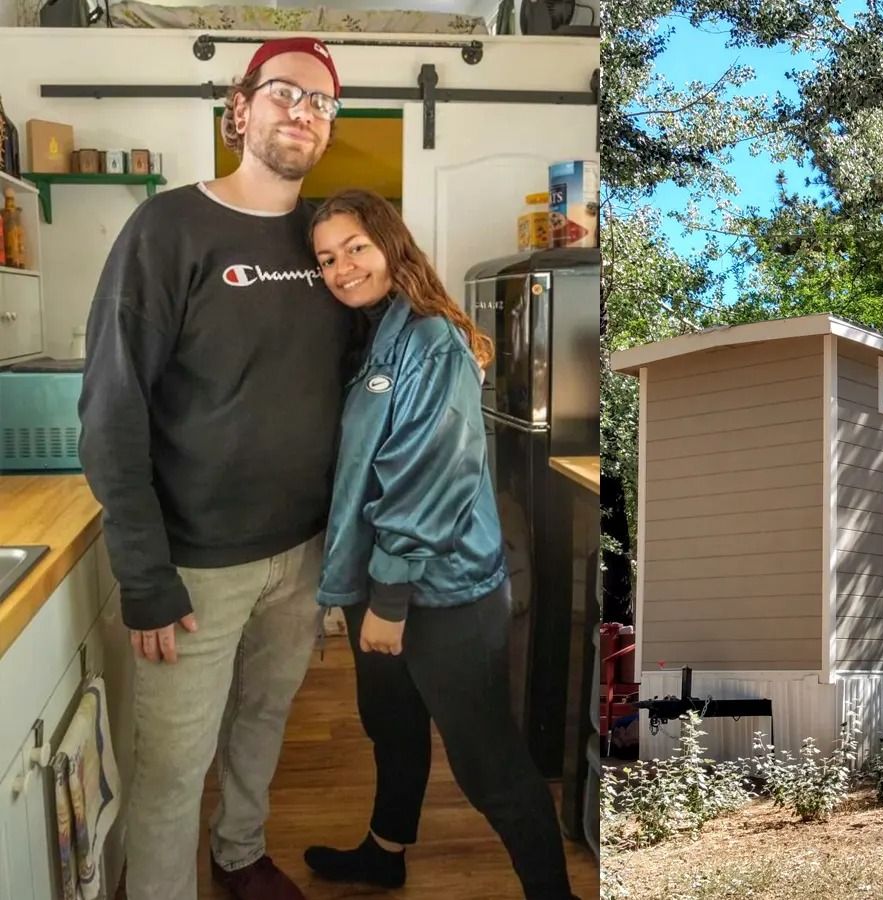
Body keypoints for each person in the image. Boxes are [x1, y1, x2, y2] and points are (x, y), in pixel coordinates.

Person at [78, 37, 351, 900]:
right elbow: (111, 408)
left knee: (264, 721)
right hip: (193, 567)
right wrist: (145, 576)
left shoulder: (330, 241)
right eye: (284, 92)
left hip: (302, 554)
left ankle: (239, 854)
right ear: (242, 108)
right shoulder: (168, 227)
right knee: (168, 771)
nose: (302, 112)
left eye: (320, 101)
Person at [304, 189, 579, 900]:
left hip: (442, 592)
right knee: (393, 728)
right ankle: (384, 853)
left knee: (487, 762)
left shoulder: (429, 339)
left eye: (356, 248)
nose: (342, 268)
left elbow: (430, 476)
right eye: (327, 258)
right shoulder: (370, 333)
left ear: (392, 244)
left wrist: (389, 599)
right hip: (384, 581)